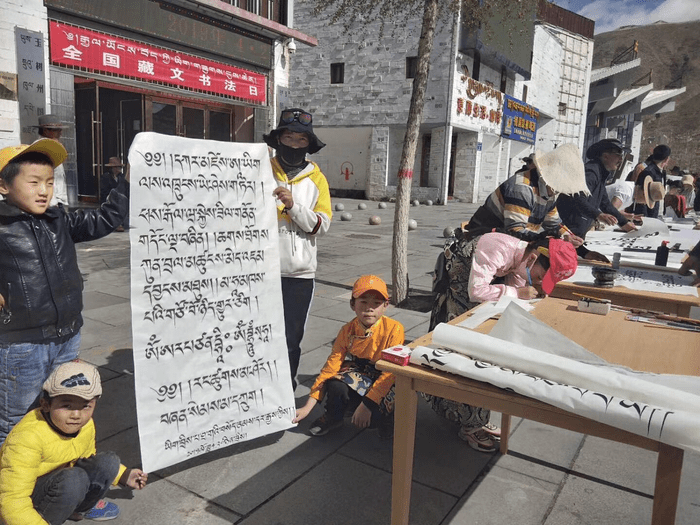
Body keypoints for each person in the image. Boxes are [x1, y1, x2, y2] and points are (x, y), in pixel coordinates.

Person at [0, 139, 128, 443]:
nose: (44, 191)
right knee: (17, 418)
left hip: (68, 337)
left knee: (61, 408)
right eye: (33, 182)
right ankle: (11, 486)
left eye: (48, 182)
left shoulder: (59, 219)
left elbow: (104, 219)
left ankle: (53, 475)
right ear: (4, 185)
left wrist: (128, 183)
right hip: (22, 345)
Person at [427, 234, 578, 452]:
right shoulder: (496, 248)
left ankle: (476, 417)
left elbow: (514, 289)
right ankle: (468, 422)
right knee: (464, 356)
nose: (536, 284)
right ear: (533, 259)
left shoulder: (523, 260)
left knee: (489, 350)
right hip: (460, 296)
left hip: (473, 300)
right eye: (539, 278)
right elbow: (476, 290)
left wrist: (520, 297)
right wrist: (516, 293)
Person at [0, 360, 147, 523]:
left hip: (61, 481)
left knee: (108, 462)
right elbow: (12, 498)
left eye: (85, 406)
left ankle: (79, 509)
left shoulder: (86, 424)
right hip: (30, 496)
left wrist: (123, 475)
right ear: (46, 405)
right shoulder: (27, 438)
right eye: (67, 405)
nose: (76, 415)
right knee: (74, 480)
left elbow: (87, 459)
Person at [264, 108, 332, 390]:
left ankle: (284, 391)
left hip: (298, 274)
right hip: (260, 271)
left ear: (309, 144)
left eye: (300, 140)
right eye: (288, 137)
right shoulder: (261, 169)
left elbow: (321, 225)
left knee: (291, 337)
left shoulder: (317, 179)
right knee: (259, 335)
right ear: (278, 139)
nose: (293, 144)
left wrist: (293, 206)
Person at [293, 275, 404, 437]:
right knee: (334, 383)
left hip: (386, 376)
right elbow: (330, 367)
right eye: (363, 302)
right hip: (361, 371)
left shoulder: (394, 329)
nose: (369, 308)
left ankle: (387, 418)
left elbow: (390, 373)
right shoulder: (347, 330)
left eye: (376, 303)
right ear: (353, 304)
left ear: (386, 305)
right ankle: (333, 417)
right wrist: (307, 407)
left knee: (377, 413)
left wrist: (367, 405)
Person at [463, 144, 587, 247]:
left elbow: (554, 223)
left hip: (509, 241)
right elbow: (515, 232)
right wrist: (551, 240)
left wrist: (576, 243)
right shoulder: (522, 189)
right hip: (483, 241)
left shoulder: (551, 193)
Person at [557, 139, 637, 262]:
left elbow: (605, 204)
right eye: (618, 155)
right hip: (564, 233)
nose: (621, 160)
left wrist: (624, 223)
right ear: (605, 156)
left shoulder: (599, 174)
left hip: (574, 238)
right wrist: (598, 215)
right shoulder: (591, 173)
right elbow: (578, 199)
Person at [36, 115, 69, 208]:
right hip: (51, 201)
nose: (60, 133)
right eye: (56, 130)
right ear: (46, 131)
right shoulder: (41, 147)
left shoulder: (54, 145)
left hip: (58, 199)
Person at [632, 145, 671, 218]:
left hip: (658, 211)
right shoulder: (648, 172)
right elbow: (641, 196)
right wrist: (644, 217)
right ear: (666, 159)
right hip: (648, 213)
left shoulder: (662, 172)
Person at [100, 157, 130, 231]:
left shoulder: (122, 177)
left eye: (118, 167)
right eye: (115, 167)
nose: (117, 169)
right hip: (109, 198)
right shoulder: (106, 177)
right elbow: (105, 191)